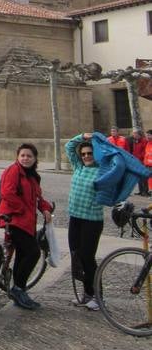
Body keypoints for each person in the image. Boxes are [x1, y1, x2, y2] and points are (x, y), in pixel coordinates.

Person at [0, 143, 53, 311]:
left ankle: (19, 290)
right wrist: (22, 209)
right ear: (17, 157)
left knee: (23, 254)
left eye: (29, 156)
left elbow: (37, 197)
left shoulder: (33, 176)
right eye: (22, 155)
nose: (25, 158)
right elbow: (7, 192)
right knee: (33, 252)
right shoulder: (13, 171)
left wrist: (45, 208)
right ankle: (18, 289)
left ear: (35, 159)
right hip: (13, 220)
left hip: (27, 222)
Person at [65, 133, 103, 311]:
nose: (87, 156)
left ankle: (98, 296)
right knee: (77, 256)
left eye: (90, 153)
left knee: (88, 257)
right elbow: (69, 147)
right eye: (84, 154)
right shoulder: (78, 167)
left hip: (92, 220)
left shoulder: (103, 170)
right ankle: (87, 293)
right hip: (75, 218)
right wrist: (83, 137)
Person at [131, 129, 148, 196]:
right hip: (136, 161)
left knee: (144, 177)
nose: (133, 135)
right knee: (138, 177)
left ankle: (145, 191)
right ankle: (140, 191)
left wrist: (140, 158)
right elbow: (134, 151)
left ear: (139, 134)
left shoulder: (144, 141)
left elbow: (144, 151)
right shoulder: (135, 141)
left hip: (142, 161)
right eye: (133, 133)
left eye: (135, 133)